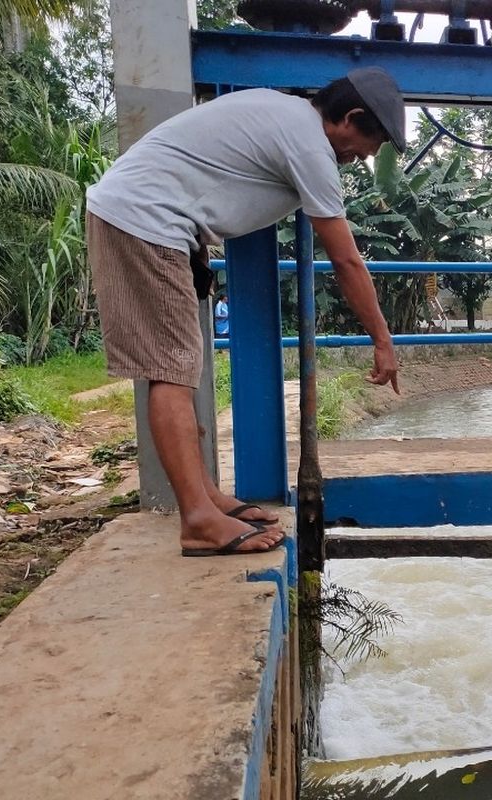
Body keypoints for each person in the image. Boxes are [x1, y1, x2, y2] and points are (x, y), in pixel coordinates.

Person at [86, 67, 405, 557]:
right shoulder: (310, 145)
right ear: (351, 116)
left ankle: (207, 498)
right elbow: (345, 258)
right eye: (371, 141)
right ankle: (196, 520)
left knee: (177, 367)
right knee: (170, 371)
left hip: (154, 223)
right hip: (147, 223)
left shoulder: (282, 112)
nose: (364, 157)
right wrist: (383, 341)